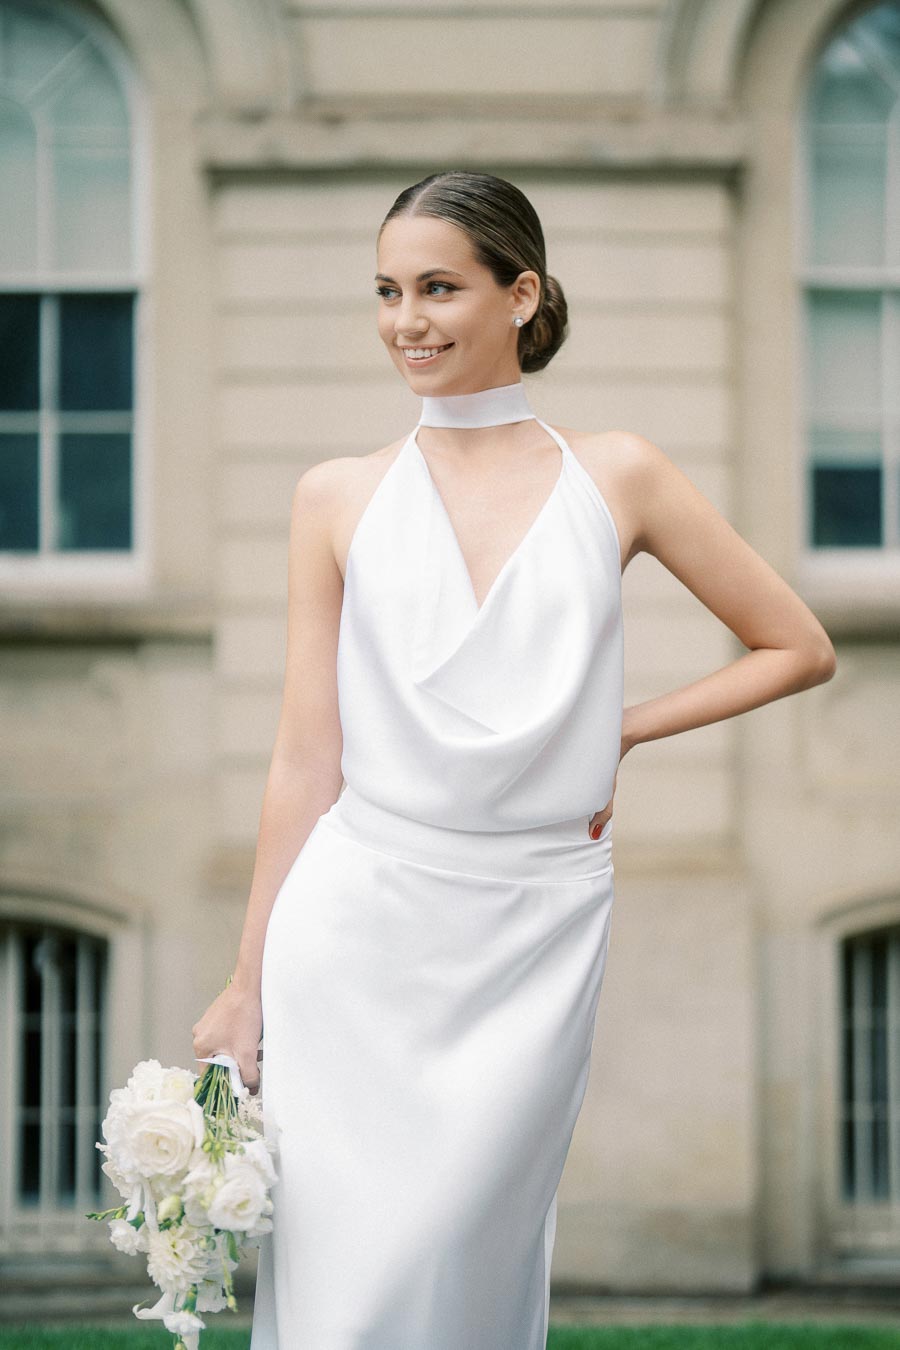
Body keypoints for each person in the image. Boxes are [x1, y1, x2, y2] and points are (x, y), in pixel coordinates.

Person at [192, 170, 836, 1348]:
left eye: (439, 287)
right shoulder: (334, 497)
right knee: (346, 1279)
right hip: (355, 925)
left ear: (521, 294)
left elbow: (796, 645)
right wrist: (246, 987)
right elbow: (303, 757)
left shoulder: (620, 474)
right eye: (388, 291)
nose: (407, 321)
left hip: (534, 927)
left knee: (462, 1265)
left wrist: (623, 726)